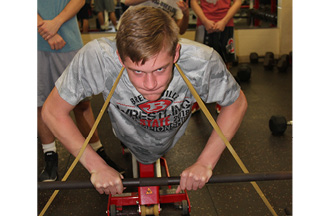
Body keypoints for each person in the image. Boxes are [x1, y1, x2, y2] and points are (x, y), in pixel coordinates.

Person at [42, 6, 247, 195]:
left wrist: (205, 162)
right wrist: (96, 166)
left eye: (160, 69)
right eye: (137, 71)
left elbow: (236, 104)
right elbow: (52, 111)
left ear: (175, 53)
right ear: (121, 59)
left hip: (169, 137)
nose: (150, 84)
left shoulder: (202, 61)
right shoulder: (98, 58)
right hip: (126, 134)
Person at [37, 0, 123, 182]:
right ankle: (50, 157)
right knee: (40, 103)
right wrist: (45, 30)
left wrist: (56, 23)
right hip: (35, 41)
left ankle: (98, 152)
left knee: (81, 103)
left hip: (68, 38)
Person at [191, 0, 242, 113]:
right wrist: (205, 21)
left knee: (224, 63)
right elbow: (193, 2)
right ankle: (196, 101)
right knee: (199, 64)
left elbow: (238, 2)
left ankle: (222, 101)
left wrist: (224, 21)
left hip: (226, 23)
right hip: (204, 23)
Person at [121, 0, 189, 35]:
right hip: (131, 29)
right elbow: (127, 2)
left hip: (153, 36)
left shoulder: (178, 2)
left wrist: (186, 15)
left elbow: (180, 31)